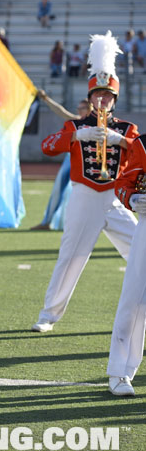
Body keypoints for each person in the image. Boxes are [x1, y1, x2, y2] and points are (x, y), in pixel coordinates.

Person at [32, 32, 139, 333]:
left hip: (116, 199)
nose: (102, 100)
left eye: (107, 95)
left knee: (140, 250)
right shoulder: (75, 125)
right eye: (97, 95)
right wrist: (77, 136)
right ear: (90, 98)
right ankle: (48, 315)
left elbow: (140, 155)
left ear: (114, 99)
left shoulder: (128, 128)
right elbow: (47, 146)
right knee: (71, 257)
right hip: (84, 197)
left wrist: (121, 141)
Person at [107, 127, 146, 396]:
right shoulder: (143, 146)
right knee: (135, 299)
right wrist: (132, 198)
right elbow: (122, 183)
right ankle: (120, 371)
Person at [30, 94, 89, 231]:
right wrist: (46, 99)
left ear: (90, 108)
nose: (79, 110)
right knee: (59, 189)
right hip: (71, 160)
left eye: (82, 108)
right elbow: (61, 111)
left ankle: (76, 223)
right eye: (78, 108)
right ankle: (48, 221)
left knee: (82, 194)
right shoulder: (77, 122)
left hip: (84, 163)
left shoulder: (95, 123)